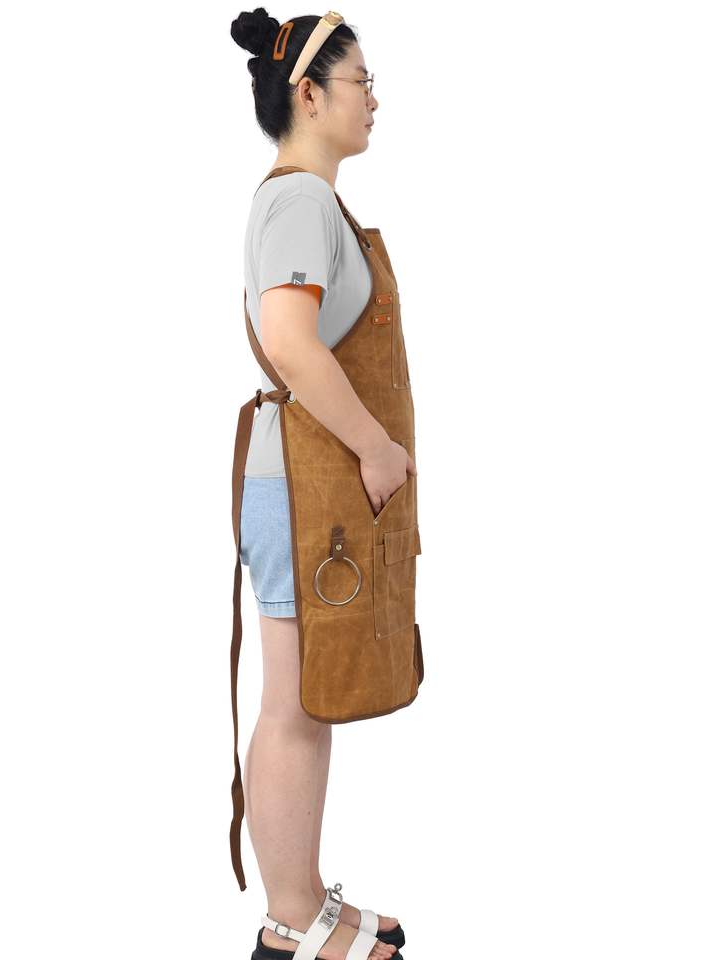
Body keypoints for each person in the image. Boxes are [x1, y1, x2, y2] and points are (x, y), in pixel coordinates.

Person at [230, 8, 414, 960]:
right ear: (309, 93)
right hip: (302, 488)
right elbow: (291, 344)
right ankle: (289, 922)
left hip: (310, 490)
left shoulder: (313, 202)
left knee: (310, 698)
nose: (374, 99)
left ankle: (305, 899)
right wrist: (377, 449)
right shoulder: (300, 200)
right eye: (361, 82)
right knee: (294, 705)